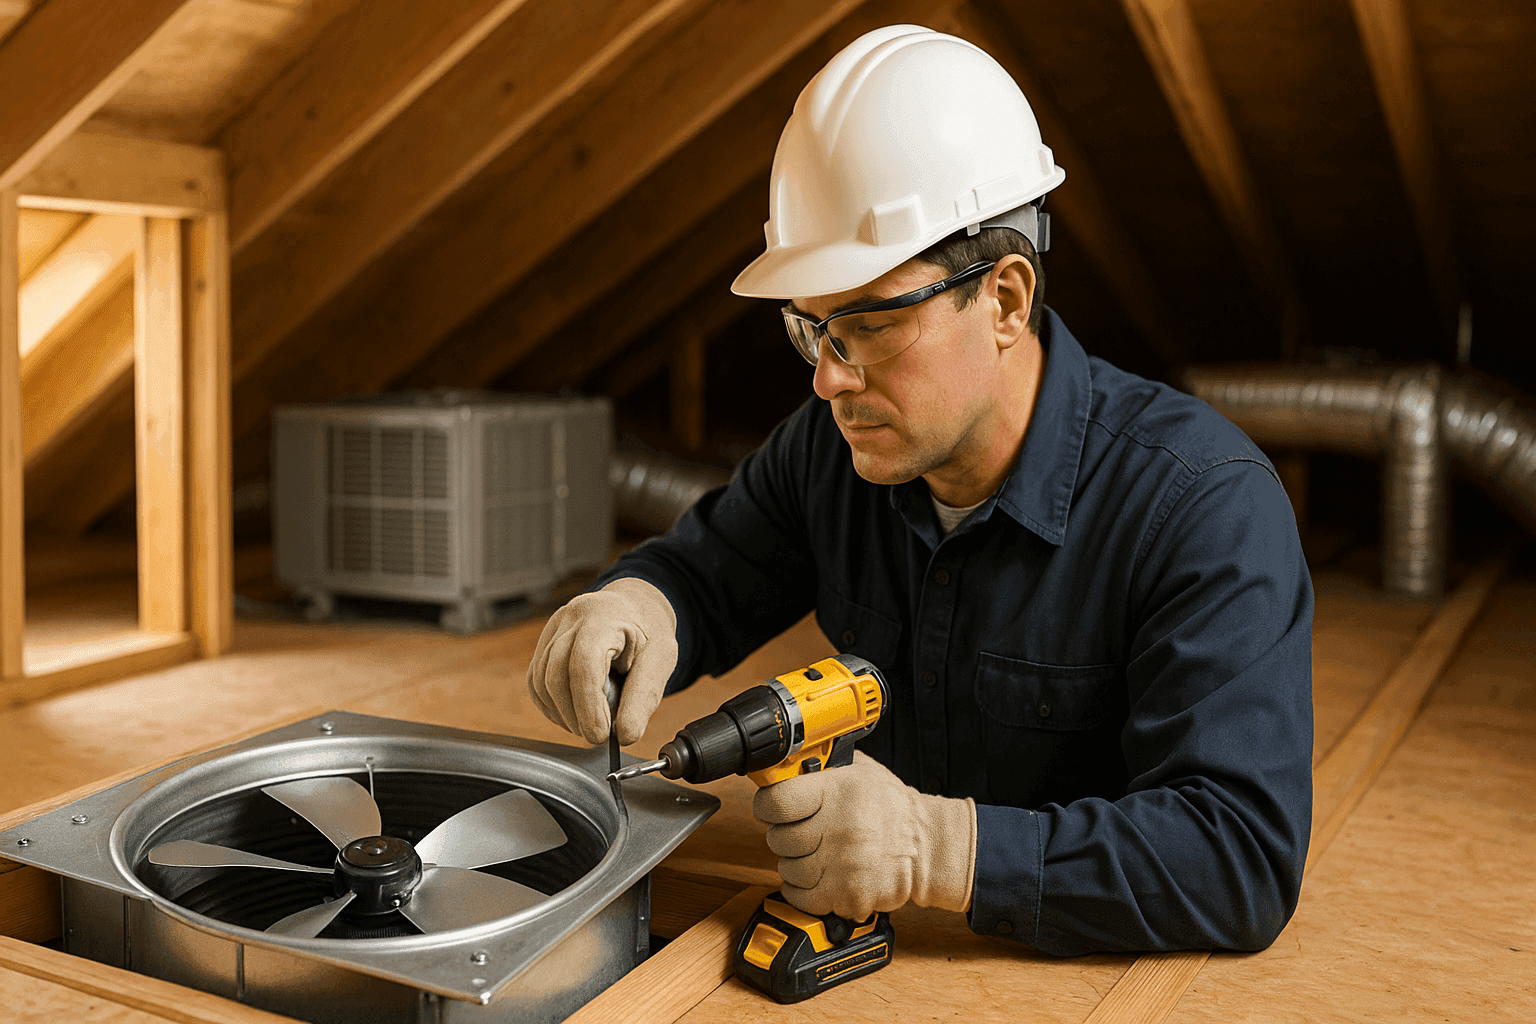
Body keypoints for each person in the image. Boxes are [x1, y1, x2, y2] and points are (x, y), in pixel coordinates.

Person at [526, 24, 1312, 956]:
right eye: (811, 330)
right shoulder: (833, 453)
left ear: (1007, 301)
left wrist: (943, 852)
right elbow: (704, 575)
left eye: (865, 324)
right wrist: (636, 604)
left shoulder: (1202, 508)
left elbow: (1240, 859)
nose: (828, 379)